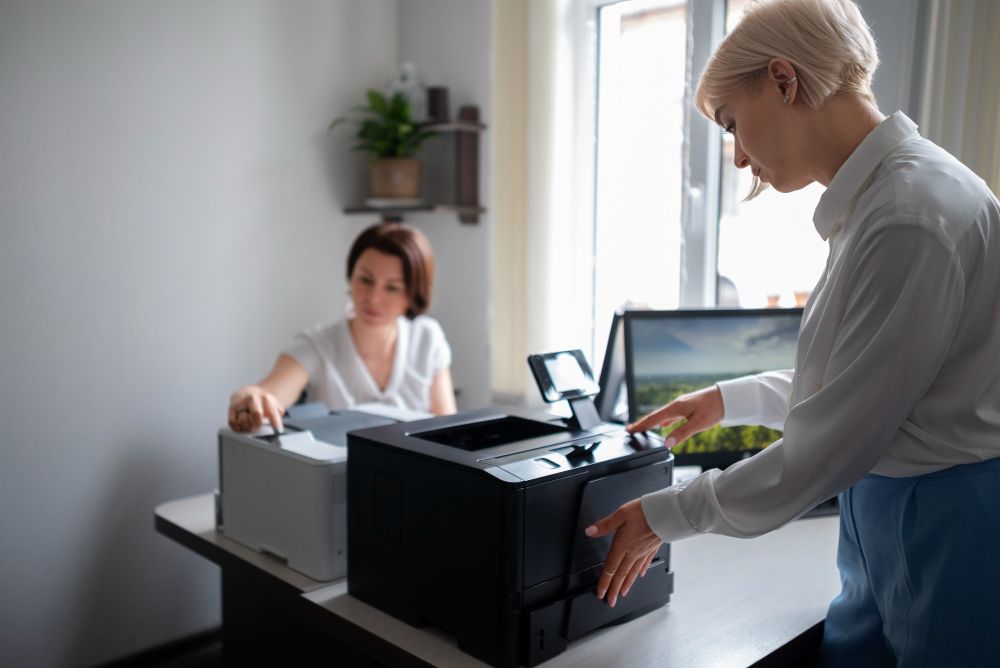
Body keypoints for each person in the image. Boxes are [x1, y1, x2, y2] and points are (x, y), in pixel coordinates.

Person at [585, 0, 1000, 664]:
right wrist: (731, 399)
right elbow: (871, 381)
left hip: (943, 517)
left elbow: (833, 443)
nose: (740, 157)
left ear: (783, 80)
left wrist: (667, 514)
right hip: (892, 505)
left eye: (732, 125)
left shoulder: (910, 215)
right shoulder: (879, 203)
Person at [228, 222, 457, 432]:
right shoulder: (318, 346)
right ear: (351, 277)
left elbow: (450, 431)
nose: (373, 298)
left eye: (392, 288)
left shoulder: (428, 338)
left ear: (413, 294)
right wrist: (248, 397)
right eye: (365, 280)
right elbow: (267, 392)